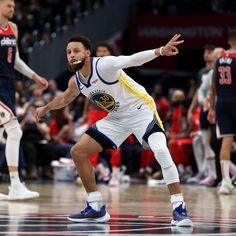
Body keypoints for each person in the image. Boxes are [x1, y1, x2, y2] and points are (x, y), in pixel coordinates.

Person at [35, 34, 193, 227]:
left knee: (160, 150)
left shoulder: (103, 65)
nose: (72, 55)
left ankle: (179, 208)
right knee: (78, 152)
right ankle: (95, 207)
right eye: (68, 52)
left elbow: (133, 59)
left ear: (87, 53)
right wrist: (47, 107)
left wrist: (160, 50)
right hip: (117, 117)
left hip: (140, 110)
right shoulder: (75, 81)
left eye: (76, 51)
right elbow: (66, 98)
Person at [0, 0, 48, 200]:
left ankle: (15, 185)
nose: (12, 9)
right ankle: (16, 185)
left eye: (13, 5)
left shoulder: (14, 28)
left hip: (9, 85)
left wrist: (34, 76)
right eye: (8, 5)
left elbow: (16, 59)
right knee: (14, 130)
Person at [208, 31, 236, 194]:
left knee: (226, 139)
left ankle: (225, 182)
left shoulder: (219, 59)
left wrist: (212, 107)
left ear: (228, 41)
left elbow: (213, 86)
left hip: (221, 101)